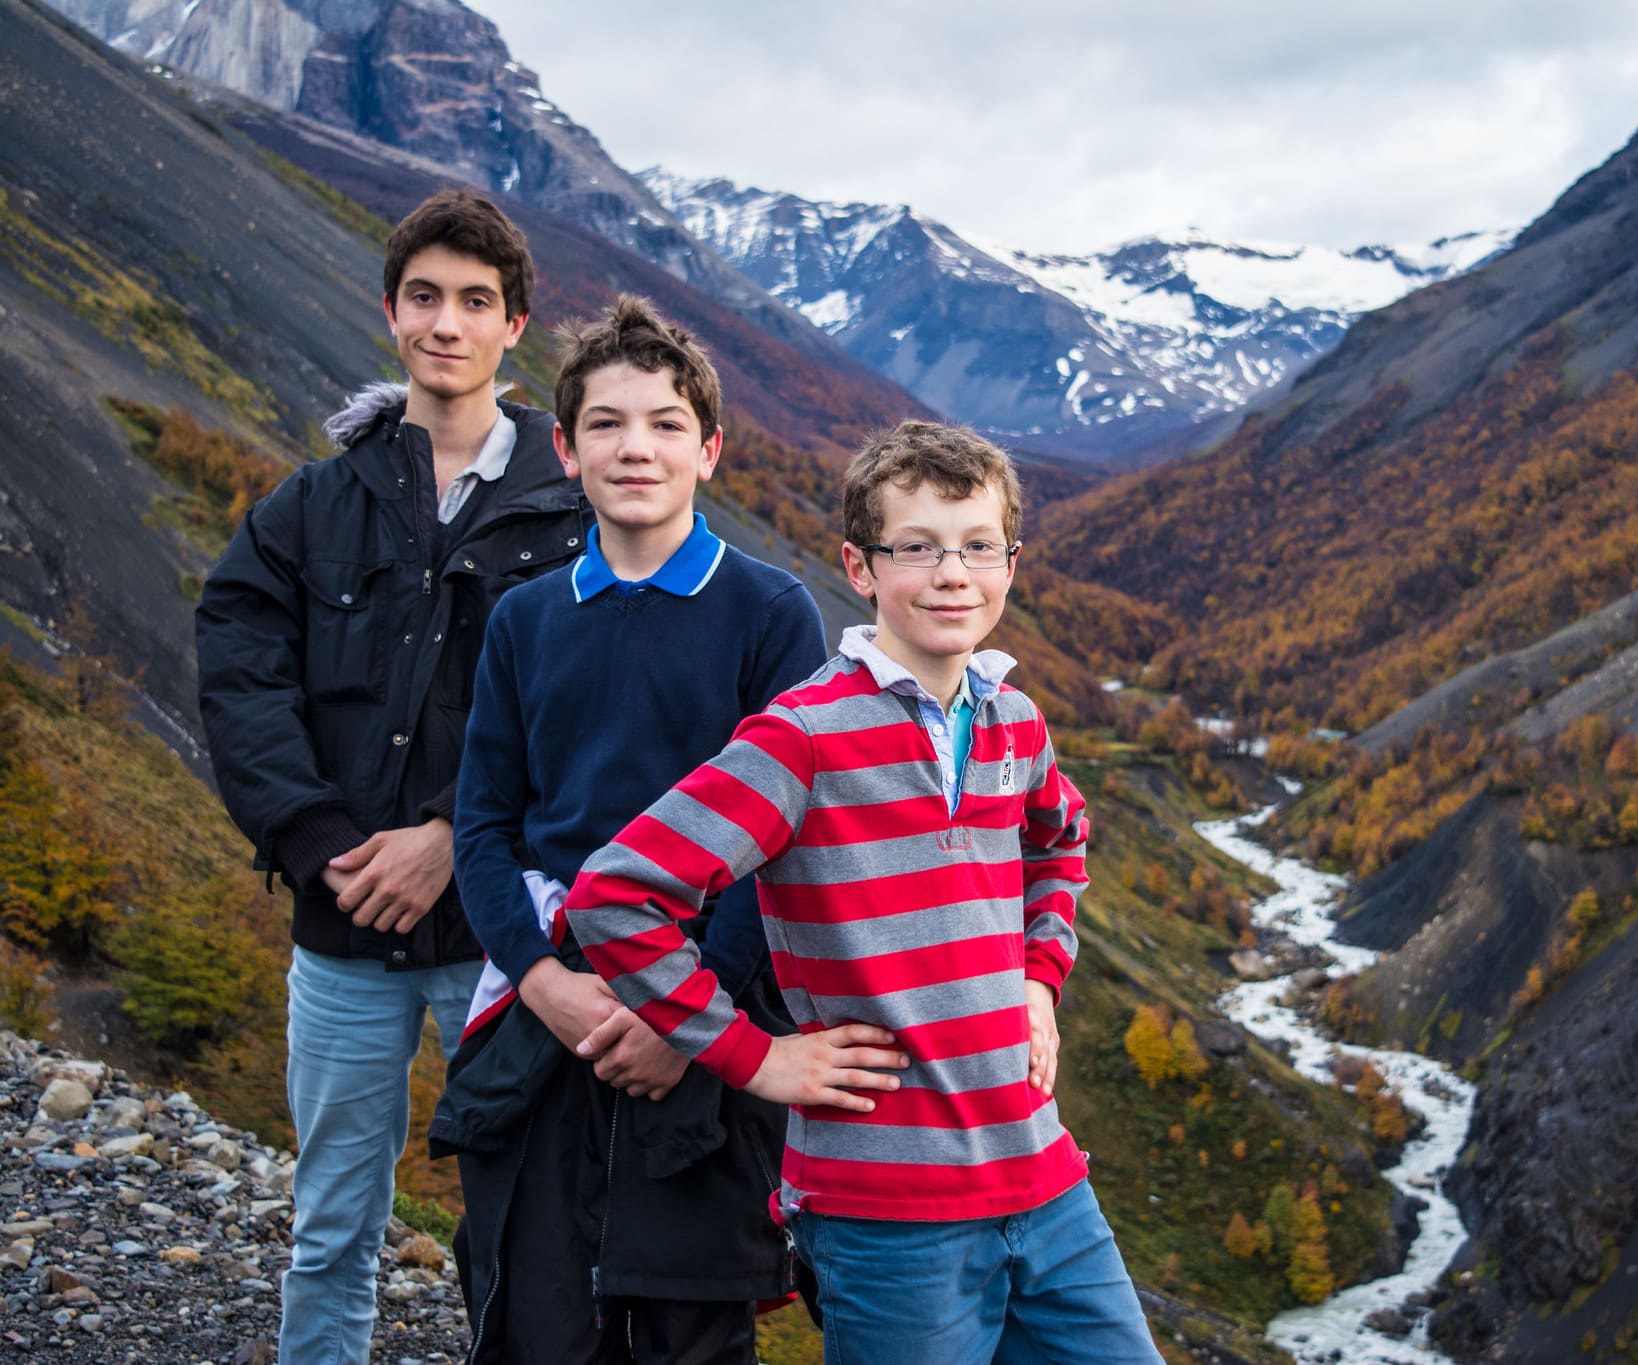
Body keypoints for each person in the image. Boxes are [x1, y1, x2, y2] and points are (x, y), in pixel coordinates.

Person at [566, 420, 1162, 1364]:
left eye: (977, 547)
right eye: (916, 548)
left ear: (1011, 563)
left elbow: (1060, 842)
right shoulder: (802, 738)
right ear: (860, 565)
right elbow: (615, 898)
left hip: (1046, 1183)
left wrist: (1040, 981)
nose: (951, 574)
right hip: (889, 1213)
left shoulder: (1014, 720)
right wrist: (757, 1060)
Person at [194, 188, 585, 1365]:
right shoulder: (313, 506)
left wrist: (442, 838)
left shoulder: (571, 518)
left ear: (516, 325)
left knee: (525, 1229)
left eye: (476, 301)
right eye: (426, 297)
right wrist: (315, 839)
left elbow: (576, 719)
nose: (447, 323)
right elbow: (239, 672)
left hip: (504, 938)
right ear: (391, 312)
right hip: (343, 931)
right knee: (330, 1229)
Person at [431, 294, 839, 1363]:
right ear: (565, 450)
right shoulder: (524, 619)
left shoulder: (767, 611)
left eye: (664, 423)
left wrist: (685, 1017)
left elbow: (786, 839)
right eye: (605, 424)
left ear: (708, 450)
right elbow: (483, 826)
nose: (635, 447)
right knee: (535, 1316)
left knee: (686, 1325)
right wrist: (539, 981)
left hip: (706, 993)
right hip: (554, 1000)